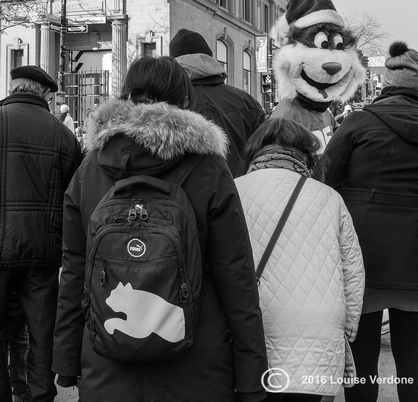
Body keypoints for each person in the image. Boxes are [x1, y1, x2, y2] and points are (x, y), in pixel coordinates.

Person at [53, 55, 268, 402]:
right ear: (185, 101)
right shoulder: (208, 166)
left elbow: (75, 271)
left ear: (125, 96)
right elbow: (236, 275)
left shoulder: (90, 167)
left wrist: (65, 360)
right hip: (196, 363)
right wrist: (252, 374)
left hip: (108, 363)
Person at [235, 117, 365, 401]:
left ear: (255, 150)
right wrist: (348, 326)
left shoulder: (232, 191)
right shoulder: (329, 197)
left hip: (251, 327)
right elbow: (352, 268)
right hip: (317, 328)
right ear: (307, 154)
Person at [324, 41, 418, 402]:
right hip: (414, 260)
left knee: (361, 359)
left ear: (386, 84)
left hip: (364, 256)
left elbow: (326, 179)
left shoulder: (359, 121)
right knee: (414, 356)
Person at [0, 65, 82, 402]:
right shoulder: (63, 135)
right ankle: (39, 395)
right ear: (45, 95)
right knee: (41, 332)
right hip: (43, 252)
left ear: (13, 87)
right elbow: (71, 200)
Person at [169, 28, 266, 176]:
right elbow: (266, 153)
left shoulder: (165, 103)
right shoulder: (246, 101)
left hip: (184, 196)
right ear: (209, 59)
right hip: (241, 191)